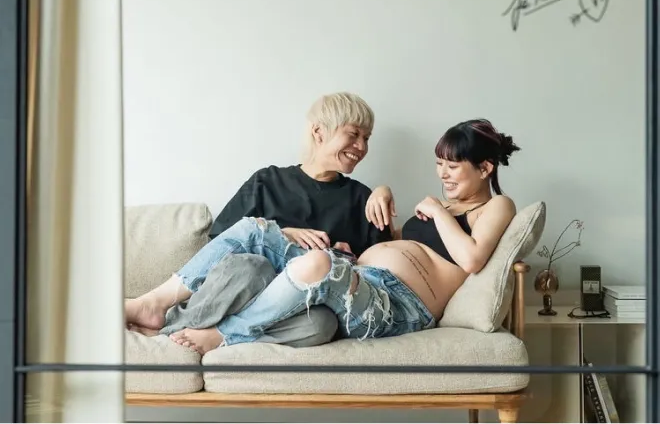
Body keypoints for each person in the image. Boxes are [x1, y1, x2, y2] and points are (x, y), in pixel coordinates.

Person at [165, 118, 520, 354]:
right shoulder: (442, 208)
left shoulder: (497, 205)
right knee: (254, 231)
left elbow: (472, 258)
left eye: (452, 166)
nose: (442, 174)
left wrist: (438, 211)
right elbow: (398, 244)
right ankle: (157, 303)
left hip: (400, 306)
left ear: (484, 168)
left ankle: (224, 334)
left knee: (316, 267)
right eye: (439, 164)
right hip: (361, 276)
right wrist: (381, 194)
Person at [125, 92, 393, 346]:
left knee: (322, 324)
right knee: (251, 268)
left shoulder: (363, 198)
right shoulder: (267, 181)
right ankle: (163, 315)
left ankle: (211, 333)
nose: (361, 146)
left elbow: (381, 273)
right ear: (319, 132)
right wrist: (282, 235)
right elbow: (221, 244)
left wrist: (383, 194)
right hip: (247, 288)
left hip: (296, 306)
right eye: (353, 134)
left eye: (366, 138)